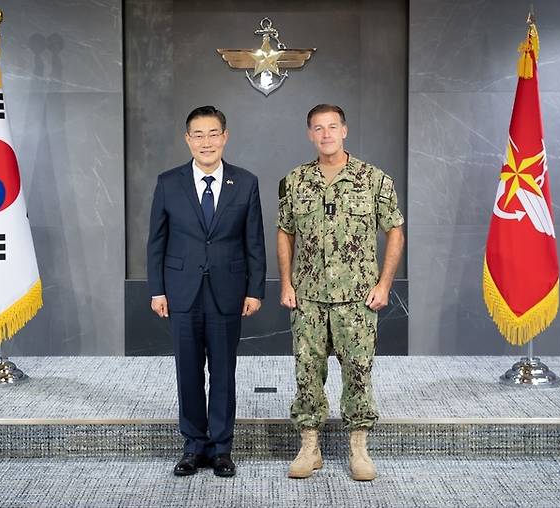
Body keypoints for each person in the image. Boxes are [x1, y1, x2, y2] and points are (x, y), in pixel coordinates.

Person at [277, 104, 404, 481]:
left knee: (359, 373)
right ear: (310, 135)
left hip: (358, 298)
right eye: (318, 128)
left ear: (345, 130)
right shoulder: (295, 181)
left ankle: (359, 449)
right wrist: (285, 283)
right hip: (309, 297)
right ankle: (309, 447)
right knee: (307, 373)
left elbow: (394, 230)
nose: (326, 134)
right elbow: (285, 231)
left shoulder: (374, 179)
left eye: (332, 126)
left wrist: (384, 284)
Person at [147, 106, 266, 477]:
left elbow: (254, 242)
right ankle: (193, 445)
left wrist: (255, 289)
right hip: (181, 292)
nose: (206, 142)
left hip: (228, 292)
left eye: (213, 134)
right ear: (187, 140)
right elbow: (156, 241)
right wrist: (157, 290)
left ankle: (221, 449)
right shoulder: (168, 182)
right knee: (188, 371)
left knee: (224, 372)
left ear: (225, 137)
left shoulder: (245, 182)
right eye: (197, 135)